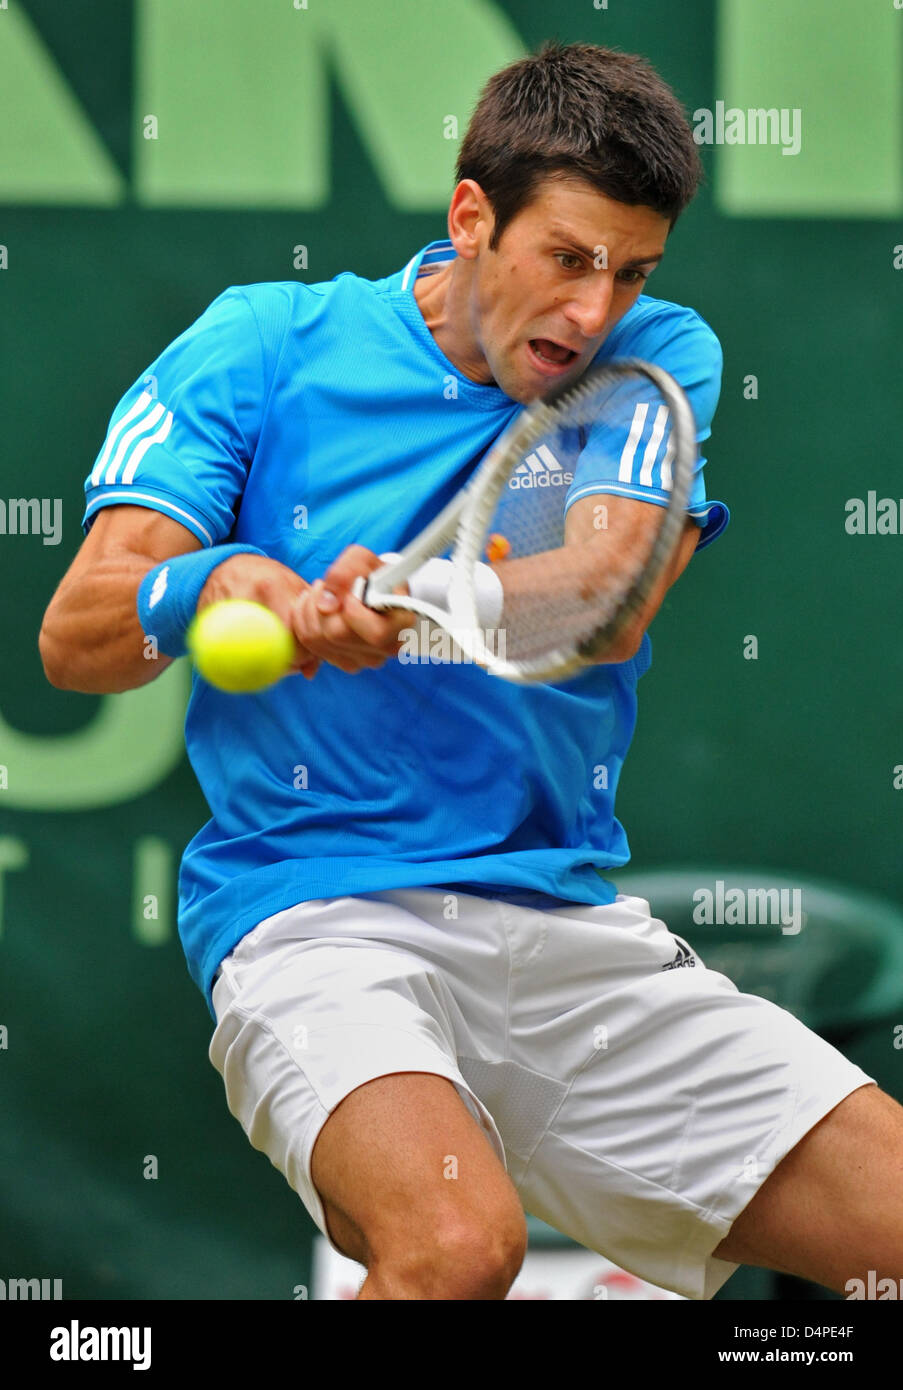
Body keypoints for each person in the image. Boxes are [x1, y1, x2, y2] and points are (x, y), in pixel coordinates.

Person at [40, 42, 900, 1301]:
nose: (595, 311)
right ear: (470, 218)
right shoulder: (264, 345)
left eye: (631, 269)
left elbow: (606, 596)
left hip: (560, 920)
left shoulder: (659, 354)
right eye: (567, 259)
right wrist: (215, 583)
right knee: (453, 1250)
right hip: (317, 918)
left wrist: (397, 593)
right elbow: (81, 634)